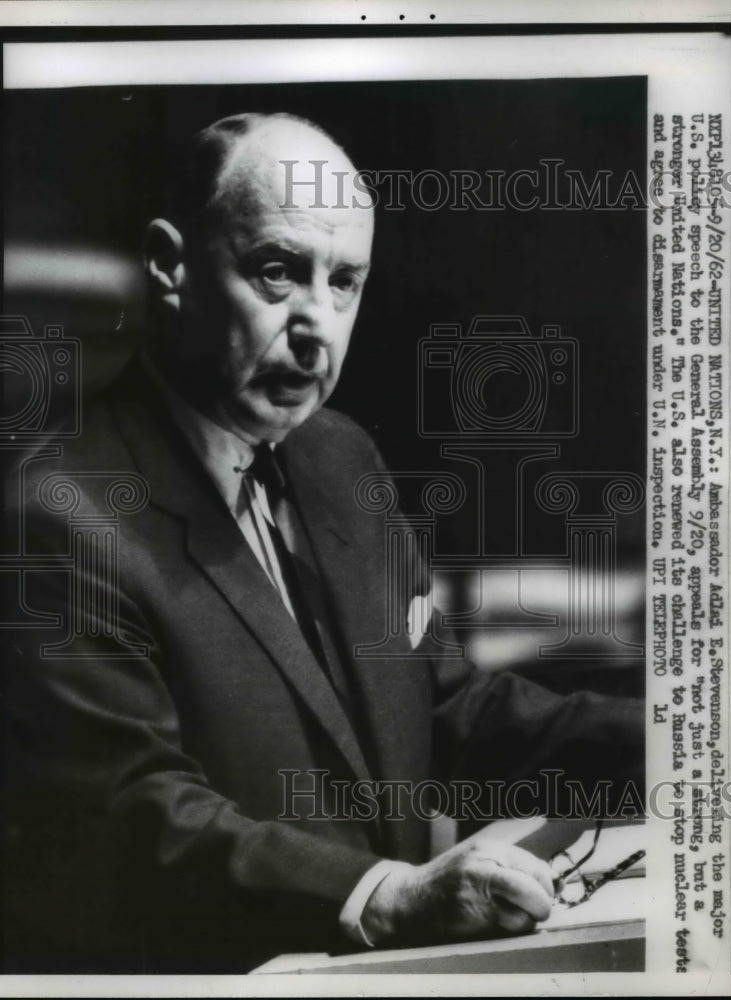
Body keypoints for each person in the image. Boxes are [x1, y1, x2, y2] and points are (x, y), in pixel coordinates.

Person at [3, 112, 643, 973]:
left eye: (343, 282)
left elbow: (446, 711)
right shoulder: (58, 511)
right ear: (170, 265)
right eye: (276, 272)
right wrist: (386, 896)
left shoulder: (337, 454)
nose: (316, 326)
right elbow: (133, 811)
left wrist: (694, 736)